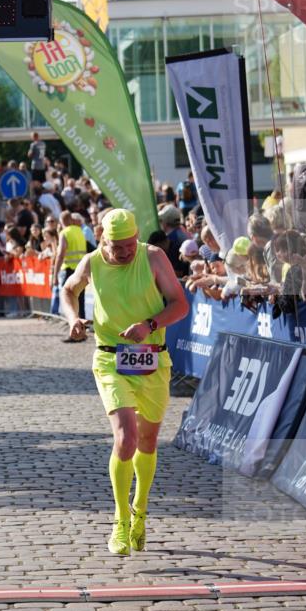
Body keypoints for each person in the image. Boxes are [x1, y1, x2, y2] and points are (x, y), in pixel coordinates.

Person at [61, 208, 189, 556]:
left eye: (130, 245)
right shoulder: (91, 262)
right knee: (126, 437)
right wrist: (73, 319)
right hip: (110, 359)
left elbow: (180, 305)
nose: (125, 252)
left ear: (137, 237)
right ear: (103, 239)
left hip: (153, 358)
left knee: (147, 440)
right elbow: (69, 290)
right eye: (117, 247)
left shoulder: (154, 257)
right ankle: (120, 519)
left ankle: (140, 510)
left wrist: (149, 325)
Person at [52, 210, 88, 319]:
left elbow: (60, 254)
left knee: (68, 298)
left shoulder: (64, 233)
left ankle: (73, 324)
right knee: (80, 299)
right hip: (81, 270)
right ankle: (82, 323)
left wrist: (55, 275)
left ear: (61, 221)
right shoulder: (80, 231)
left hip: (68, 270)